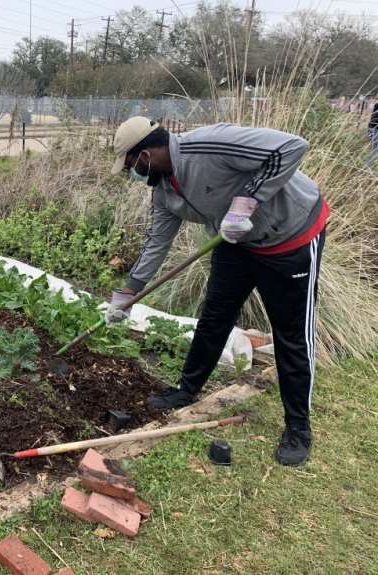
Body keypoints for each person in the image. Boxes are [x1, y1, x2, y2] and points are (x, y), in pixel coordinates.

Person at [106, 117, 329, 467]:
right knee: (214, 317)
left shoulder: (209, 143)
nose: (131, 173)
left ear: (146, 154)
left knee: (291, 334)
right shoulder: (164, 190)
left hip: (289, 237)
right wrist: (128, 294)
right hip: (234, 240)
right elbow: (157, 243)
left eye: (131, 164)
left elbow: (292, 146)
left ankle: (298, 428)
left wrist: (247, 201)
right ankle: (186, 390)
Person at [367, 102, 378, 167]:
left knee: (374, 148)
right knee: (375, 149)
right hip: (375, 130)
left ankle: (369, 165)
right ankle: (368, 165)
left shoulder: (375, 109)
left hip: (371, 129)